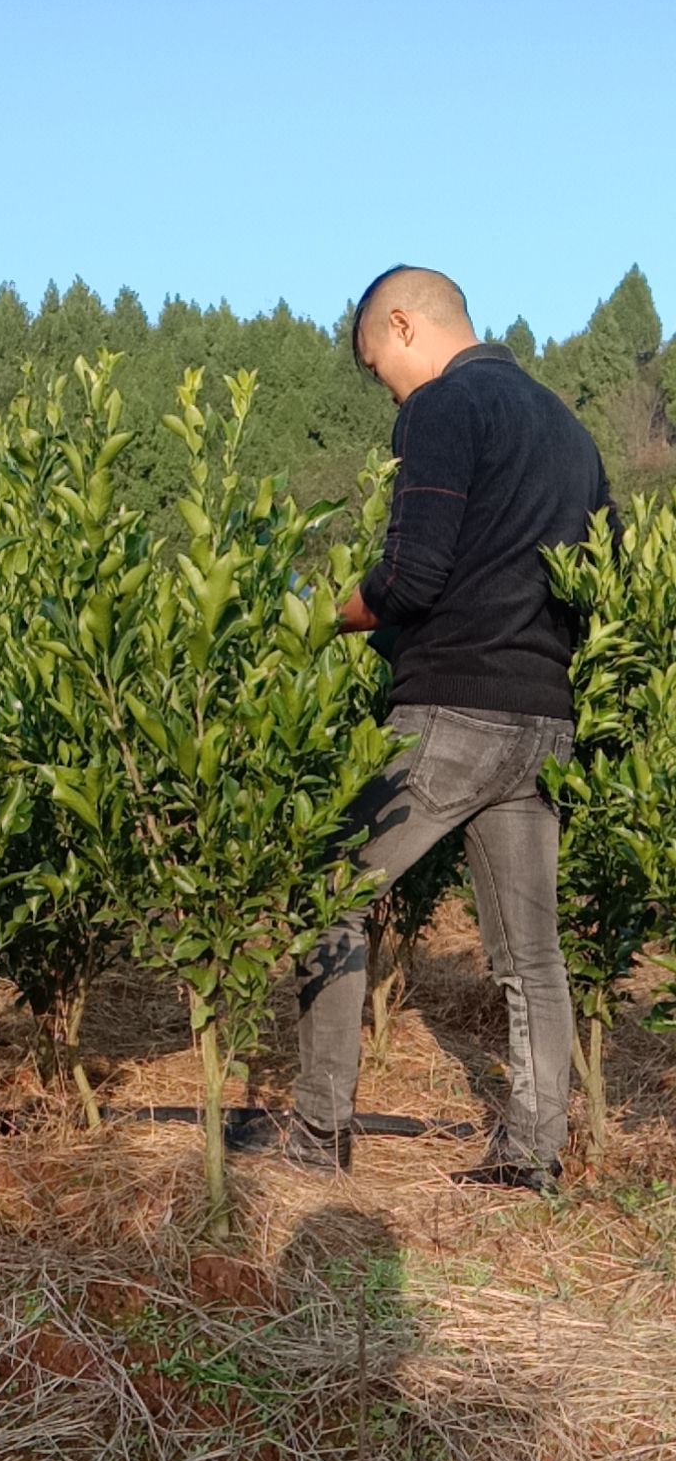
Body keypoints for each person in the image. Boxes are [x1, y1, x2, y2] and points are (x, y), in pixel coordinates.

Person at [227, 264, 622, 1192]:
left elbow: (412, 577)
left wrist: (327, 613)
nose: (387, 392)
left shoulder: (444, 407)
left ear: (403, 326)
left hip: (452, 712)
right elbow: (597, 580)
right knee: (533, 954)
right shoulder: (569, 430)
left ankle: (319, 1133)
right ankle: (531, 1155)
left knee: (327, 895)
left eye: (377, 368)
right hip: (543, 720)